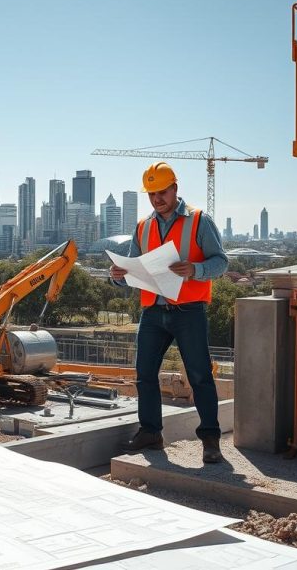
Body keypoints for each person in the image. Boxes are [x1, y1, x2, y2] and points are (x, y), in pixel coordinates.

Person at [109, 162, 229, 464]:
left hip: (189, 311)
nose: (156, 198)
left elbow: (221, 262)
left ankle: (210, 440)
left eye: (162, 192)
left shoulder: (200, 221)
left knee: (200, 376)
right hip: (153, 311)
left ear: (175, 188)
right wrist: (119, 274)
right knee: (145, 374)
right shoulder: (143, 226)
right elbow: (134, 267)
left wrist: (196, 270)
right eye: (151, 193)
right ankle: (151, 432)